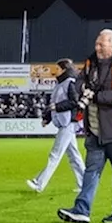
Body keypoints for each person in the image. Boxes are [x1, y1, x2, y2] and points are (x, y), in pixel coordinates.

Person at [57, 29, 112, 223]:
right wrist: (83, 89)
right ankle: (81, 210)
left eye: (101, 44)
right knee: (91, 172)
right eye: (97, 43)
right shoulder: (90, 63)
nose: (97, 47)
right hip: (94, 130)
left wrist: (95, 96)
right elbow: (78, 83)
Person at [28, 58, 85, 194]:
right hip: (65, 123)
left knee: (55, 155)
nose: (56, 71)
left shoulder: (69, 84)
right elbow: (53, 104)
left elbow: (74, 102)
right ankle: (85, 184)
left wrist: (57, 107)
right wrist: (47, 118)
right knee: (74, 157)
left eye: (58, 69)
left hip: (67, 123)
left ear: (64, 69)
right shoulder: (61, 85)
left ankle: (39, 182)